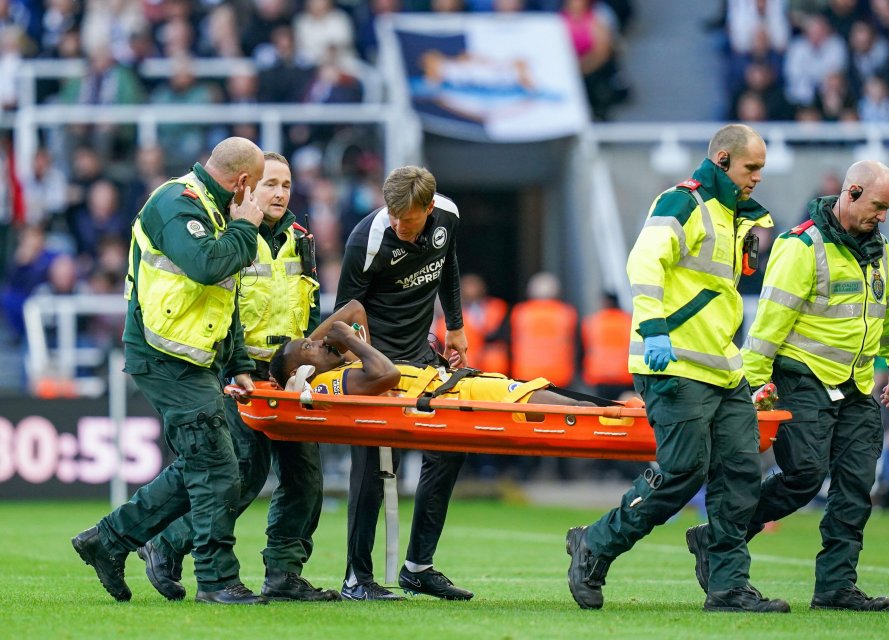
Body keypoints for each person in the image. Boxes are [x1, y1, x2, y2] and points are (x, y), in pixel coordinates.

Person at [566, 123, 790, 613]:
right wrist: (654, 330)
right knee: (684, 472)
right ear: (723, 160)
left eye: (762, 169)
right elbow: (644, 263)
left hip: (723, 369)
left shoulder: (736, 216)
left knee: (739, 475)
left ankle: (728, 586)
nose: (758, 177)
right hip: (673, 363)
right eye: (752, 167)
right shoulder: (683, 202)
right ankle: (595, 545)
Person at [686, 160, 889, 612]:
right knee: (804, 476)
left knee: (855, 486)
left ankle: (835, 588)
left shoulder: (878, 247)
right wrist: (753, 386)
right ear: (851, 192)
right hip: (803, 379)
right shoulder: (801, 246)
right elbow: (768, 324)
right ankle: (719, 537)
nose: (883, 217)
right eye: (878, 206)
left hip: (856, 384)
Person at [134, 152, 340, 603]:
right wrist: (234, 366)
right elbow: (220, 307)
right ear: (247, 188)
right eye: (270, 184)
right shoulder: (229, 236)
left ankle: (284, 573)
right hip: (241, 371)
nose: (280, 193)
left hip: (290, 375)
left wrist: (311, 365)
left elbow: (310, 307)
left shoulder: (301, 239)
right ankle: (167, 543)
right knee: (242, 474)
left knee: (305, 478)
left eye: (286, 185)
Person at [71, 137, 269, 605]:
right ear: (242, 182)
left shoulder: (212, 210)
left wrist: (238, 362)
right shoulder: (175, 203)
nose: (259, 199)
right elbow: (206, 266)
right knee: (219, 468)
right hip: (163, 358)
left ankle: (110, 540)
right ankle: (218, 581)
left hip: (194, 360)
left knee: (203, 465)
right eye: (257, 187)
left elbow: (223, 298)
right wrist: (246, 229)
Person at [334, 165, 472, 601]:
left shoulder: (447, 217)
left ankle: (418, 567)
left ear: (429, 209)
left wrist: (455, 326)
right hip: (376, 364)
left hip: (420, 358)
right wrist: (376, 373)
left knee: (450, 445)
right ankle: (357, 578)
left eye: (407, 219)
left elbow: (447, 262)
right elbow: (344, 318)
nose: (398, 224)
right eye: (392, 214)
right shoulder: (367, 238)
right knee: (373, 467)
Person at [269, 300, 593, 415]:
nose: (320, 344)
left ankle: (626, 416)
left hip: (453, 384)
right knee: (570, 408)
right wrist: (348, 339)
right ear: (305, 370)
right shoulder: (327, 384)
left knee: (562, 402)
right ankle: (630, 424)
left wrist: (312, 346)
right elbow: (387, 376)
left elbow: (354, 308)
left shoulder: (339, 369)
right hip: (455, 395)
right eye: (309, 348)